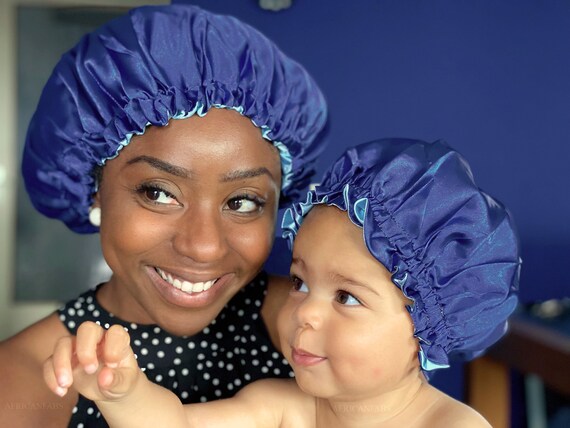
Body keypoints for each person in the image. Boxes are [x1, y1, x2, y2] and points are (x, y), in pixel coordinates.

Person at [0, 4, 327, 427]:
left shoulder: (319, 327)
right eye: (158, 193)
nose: (204, 245)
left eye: (243, 201)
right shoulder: (22, 384)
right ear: (93, 191)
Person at [43, 138, 521, 427]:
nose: (304, 312)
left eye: (347, 296)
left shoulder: (450, 425)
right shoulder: (285, 408)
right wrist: (123, 392)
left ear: (427, 328)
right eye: (298, 282)